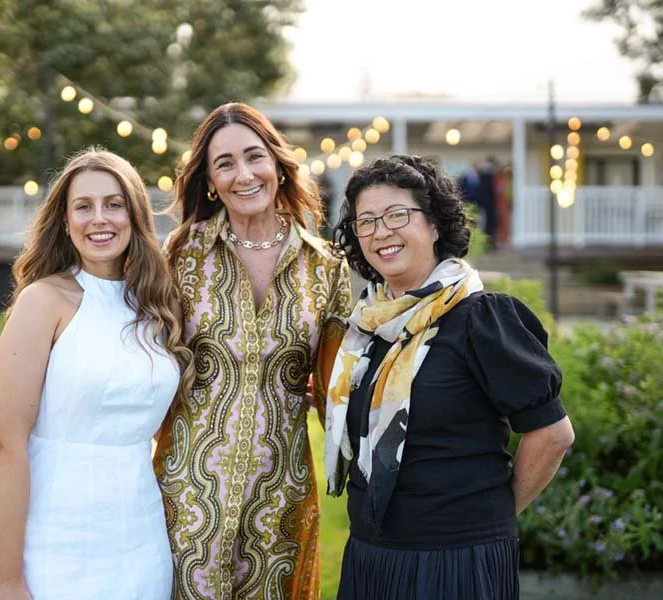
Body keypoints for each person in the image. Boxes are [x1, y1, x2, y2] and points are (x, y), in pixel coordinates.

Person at [325, 154, 574, 599]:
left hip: (455, 561)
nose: (381, 231)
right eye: (367, 222)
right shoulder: (369, 329)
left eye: (397, 215)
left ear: (435, 223)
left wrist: (491, 516)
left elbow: (552, 433)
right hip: (371, 555)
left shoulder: (480, 318)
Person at [154, 102, 353, 599]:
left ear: (278, 165)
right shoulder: (180, 255)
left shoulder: (326, 268)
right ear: (209, 181)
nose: (243, 174)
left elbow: (341, 394)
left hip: (280, 500)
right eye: (225, 164)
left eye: (253, 156)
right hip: (186, 494)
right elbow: (144, 362)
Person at [0, 147, 193, 599]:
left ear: (134, 216)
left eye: (113, 204)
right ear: (65, 221)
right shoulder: (44, 301)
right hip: (52, 533)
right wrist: (10, 578)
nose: (100, 218)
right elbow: (6, 445)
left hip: (138, 532)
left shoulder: (156, 306)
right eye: (84, 206)